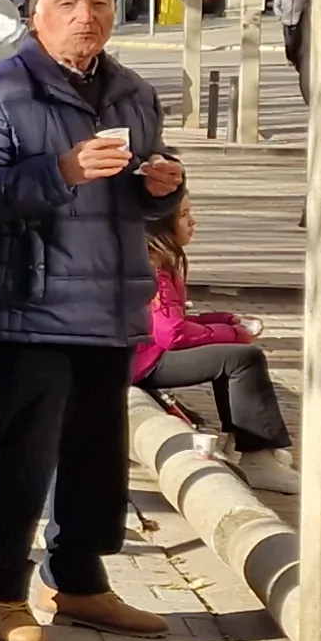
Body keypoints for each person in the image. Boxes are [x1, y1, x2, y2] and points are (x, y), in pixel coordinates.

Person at [0, 0, 185, 641]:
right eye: (69, 4)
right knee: (21, 452)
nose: (87, 17)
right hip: (29, 302)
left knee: (97, 451)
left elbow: (142, 194)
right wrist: (61, 170)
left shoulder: (133, 92)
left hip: (112, 298)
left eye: (100, 2)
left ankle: (77, 579)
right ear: (35, 15)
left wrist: (164, 188)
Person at [130, 199, 296, 492]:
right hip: (143, 361)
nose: (192, 221)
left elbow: (172, 320)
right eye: (184, 215)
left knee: (231, 356)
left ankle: (245, 443)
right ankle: (258, 459)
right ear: (161, 226)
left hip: (143, 354)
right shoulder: (154, 267)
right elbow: (172, 334)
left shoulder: (158, 261)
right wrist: (233, 333)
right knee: (242, 358)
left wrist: (225, 320)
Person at [277, 0, 311, 105]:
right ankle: (290, 58)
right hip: (286, 21)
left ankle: (296, 61)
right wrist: (280, 15)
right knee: (288, 43)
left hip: (299, 21)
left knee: (297, 42)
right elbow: (276, 5)